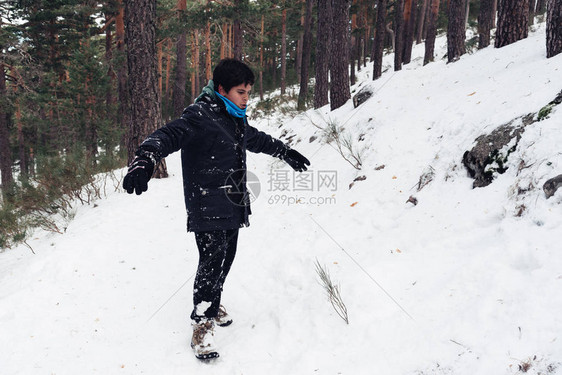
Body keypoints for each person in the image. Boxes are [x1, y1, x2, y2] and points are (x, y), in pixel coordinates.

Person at [123, 58, 310, 360]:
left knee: (227, 255)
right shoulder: (199, 115)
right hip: (206, 202)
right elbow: (167, 135)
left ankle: (214, 299)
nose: (246, 99)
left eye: (249, 92)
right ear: (222, 89)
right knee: (212, 259)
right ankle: (202, 321)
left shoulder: (234, 116)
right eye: (241, 92)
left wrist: (283, 150)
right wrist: (145, 159)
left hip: (232, 201)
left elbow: (254, 139)